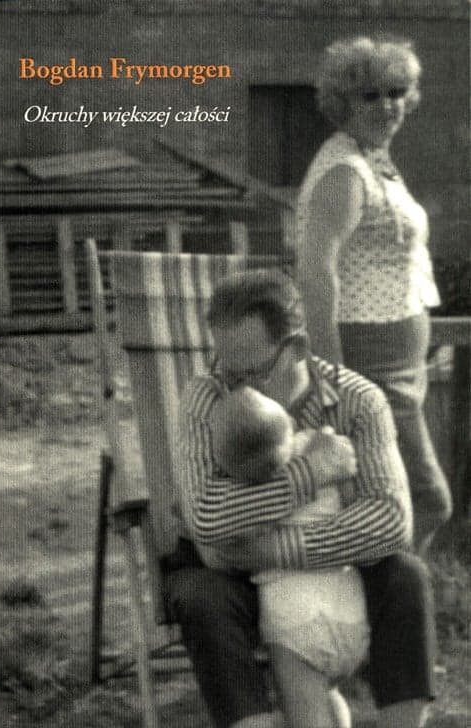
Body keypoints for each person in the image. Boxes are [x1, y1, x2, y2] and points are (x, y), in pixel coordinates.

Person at [164, 267, 436, 728]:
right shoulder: (206, 398)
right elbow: (206, 515)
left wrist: (276, 550)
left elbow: (391, 520)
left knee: (407, 575)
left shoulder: (358, 400)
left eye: (253, 373)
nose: (238, 389)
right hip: (231, 575)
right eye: (228, 370)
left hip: (328, 571)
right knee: (198, 594)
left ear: (298, 349)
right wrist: (311, 473)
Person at [294, 35, 452, 551]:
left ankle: (386, 588)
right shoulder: (344, 171)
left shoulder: (373, 159)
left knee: (392, 499)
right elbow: (315, 272)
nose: (388, 105)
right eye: (370, 95)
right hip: (368, 365)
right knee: (425, 500)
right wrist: (332, 377)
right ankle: (388, 591)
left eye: (396, 93)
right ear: (342, 102)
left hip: (400, 365)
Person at [211, 384, 369, 728]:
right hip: (349, 610)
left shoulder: (248, 493)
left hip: (293, 624)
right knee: (329, 694)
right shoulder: (321, 448)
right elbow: (352, 498)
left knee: (307, 716)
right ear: (289, 424)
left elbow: (231, 541)